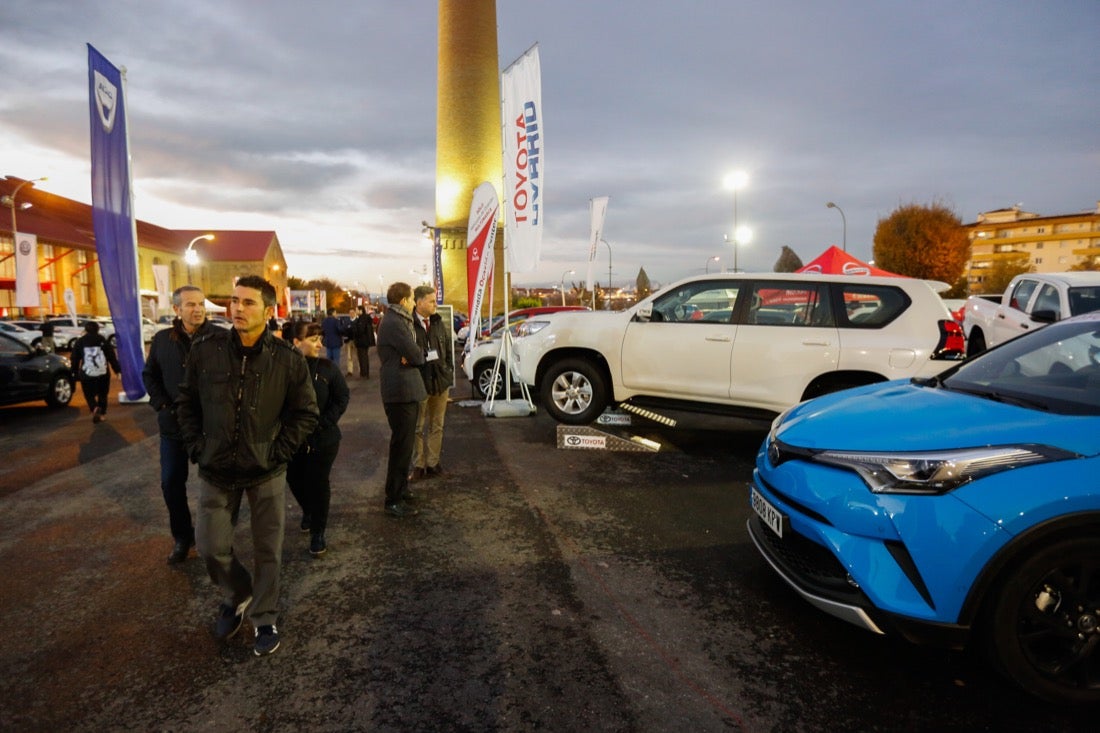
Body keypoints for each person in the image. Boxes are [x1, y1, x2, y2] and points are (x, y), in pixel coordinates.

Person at [176, 275, 319, 656]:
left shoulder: (287, 360)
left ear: (269, 311)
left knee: (268, 549)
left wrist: (277, 452)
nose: (237, 309)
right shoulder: (206, 350)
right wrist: (196, 446)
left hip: (266, 470)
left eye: (248, 303)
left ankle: (265, 615)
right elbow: (186, 402)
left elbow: (306, 413)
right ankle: (238, 593)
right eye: (234, 301)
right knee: (210, 546)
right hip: (215, 469)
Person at [142, 286, 218, 565]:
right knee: (171, 483)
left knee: (217, 485)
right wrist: (162, 404)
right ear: (176, 310)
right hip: (173, 427)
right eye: (190, 305)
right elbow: (150, 375)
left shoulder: (220, 338)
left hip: (210, 426)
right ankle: (183, 538)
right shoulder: (163, 340)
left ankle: (216, 538)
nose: (197, 309)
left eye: (200, 304)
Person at [286, 321, 349, 557]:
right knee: (294, 479)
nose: (320, 344)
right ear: (295, 342)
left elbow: (342, 397)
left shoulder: (327, 368)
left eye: (320, 339)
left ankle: (317, 532)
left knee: (318, 483)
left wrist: (325, 422)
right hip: (292, 440)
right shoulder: (283, 369)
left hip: (324, 439)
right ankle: (308, 511)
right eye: (313, 340)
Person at [376, 282, 425, 518]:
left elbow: (413, 355)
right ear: (404, 301)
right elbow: (416, 354)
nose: (415, 302)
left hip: (405, 389)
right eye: (413, 298)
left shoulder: (398, 320)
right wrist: (411, 357)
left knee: (405, 445)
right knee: (401, 446)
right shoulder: (395, 322)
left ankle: (401, 491)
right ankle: (393, 499)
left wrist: (411, 356)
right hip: (400, 391)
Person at [409, 285, 454, 481]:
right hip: (419, 383)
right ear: (419, 303)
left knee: (437, 425)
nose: (436, 304)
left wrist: (449, 372)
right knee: (417, 428)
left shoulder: (437, 322)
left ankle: (433, 463)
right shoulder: (408, 325)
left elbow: (448, 350)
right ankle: (419, 465)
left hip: (440, 383)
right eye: (431, 301)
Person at [70, 320, 121, 424]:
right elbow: (111, 357)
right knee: (103, 393)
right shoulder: (102, 340)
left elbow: (74, 358)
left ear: (86, 329)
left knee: (89, 394)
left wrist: (74, 372)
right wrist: (117, 370)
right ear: (98, 329)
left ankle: (94, 408)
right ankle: (102, 414)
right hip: (103, 373)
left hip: (87, 374)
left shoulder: (80, 341)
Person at [350, 305, 376, 379]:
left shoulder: (362, 319)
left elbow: (360, 330)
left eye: (356, 310)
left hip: (362, 341)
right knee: (364, 357)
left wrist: (354, 329)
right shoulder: (366, 318)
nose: (356, 311)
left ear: (361, 310)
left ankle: (364, 373)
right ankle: (365, 373)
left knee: (362, 358)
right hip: (365, 341)